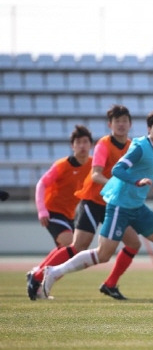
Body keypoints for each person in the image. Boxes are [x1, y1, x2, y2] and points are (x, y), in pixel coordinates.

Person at [41, 110, 153, 300]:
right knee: (103, 255)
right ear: (149, 129)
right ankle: (54, 271)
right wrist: (136, 181)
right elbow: (118, 169)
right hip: (119, 206)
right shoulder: (141, 147)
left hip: (137, 206)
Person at [27, 105, 142, 301]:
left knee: (133, 243)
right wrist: (41, 210)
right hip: (91, 202)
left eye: (124, 121)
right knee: (76, 245)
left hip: (111, 204)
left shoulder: (132, 146)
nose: (121, 124)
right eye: (117, 121)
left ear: (130, 124)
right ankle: (39, 276)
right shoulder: (103, 146)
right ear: (110, 124)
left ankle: (110, 283)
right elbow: (97, 175)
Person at [28, 125, 93, 299]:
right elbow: (41, 184)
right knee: (70, 245)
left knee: (67, 252)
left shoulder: (94, 165)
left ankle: (37, 275)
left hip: (71, 214)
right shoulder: (62, 165)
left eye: (85, 142)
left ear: (91, 145)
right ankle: (37, 278)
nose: (82, 146)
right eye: (78, 142)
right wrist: (42, 210)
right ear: (73, 146)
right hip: (52, 211)